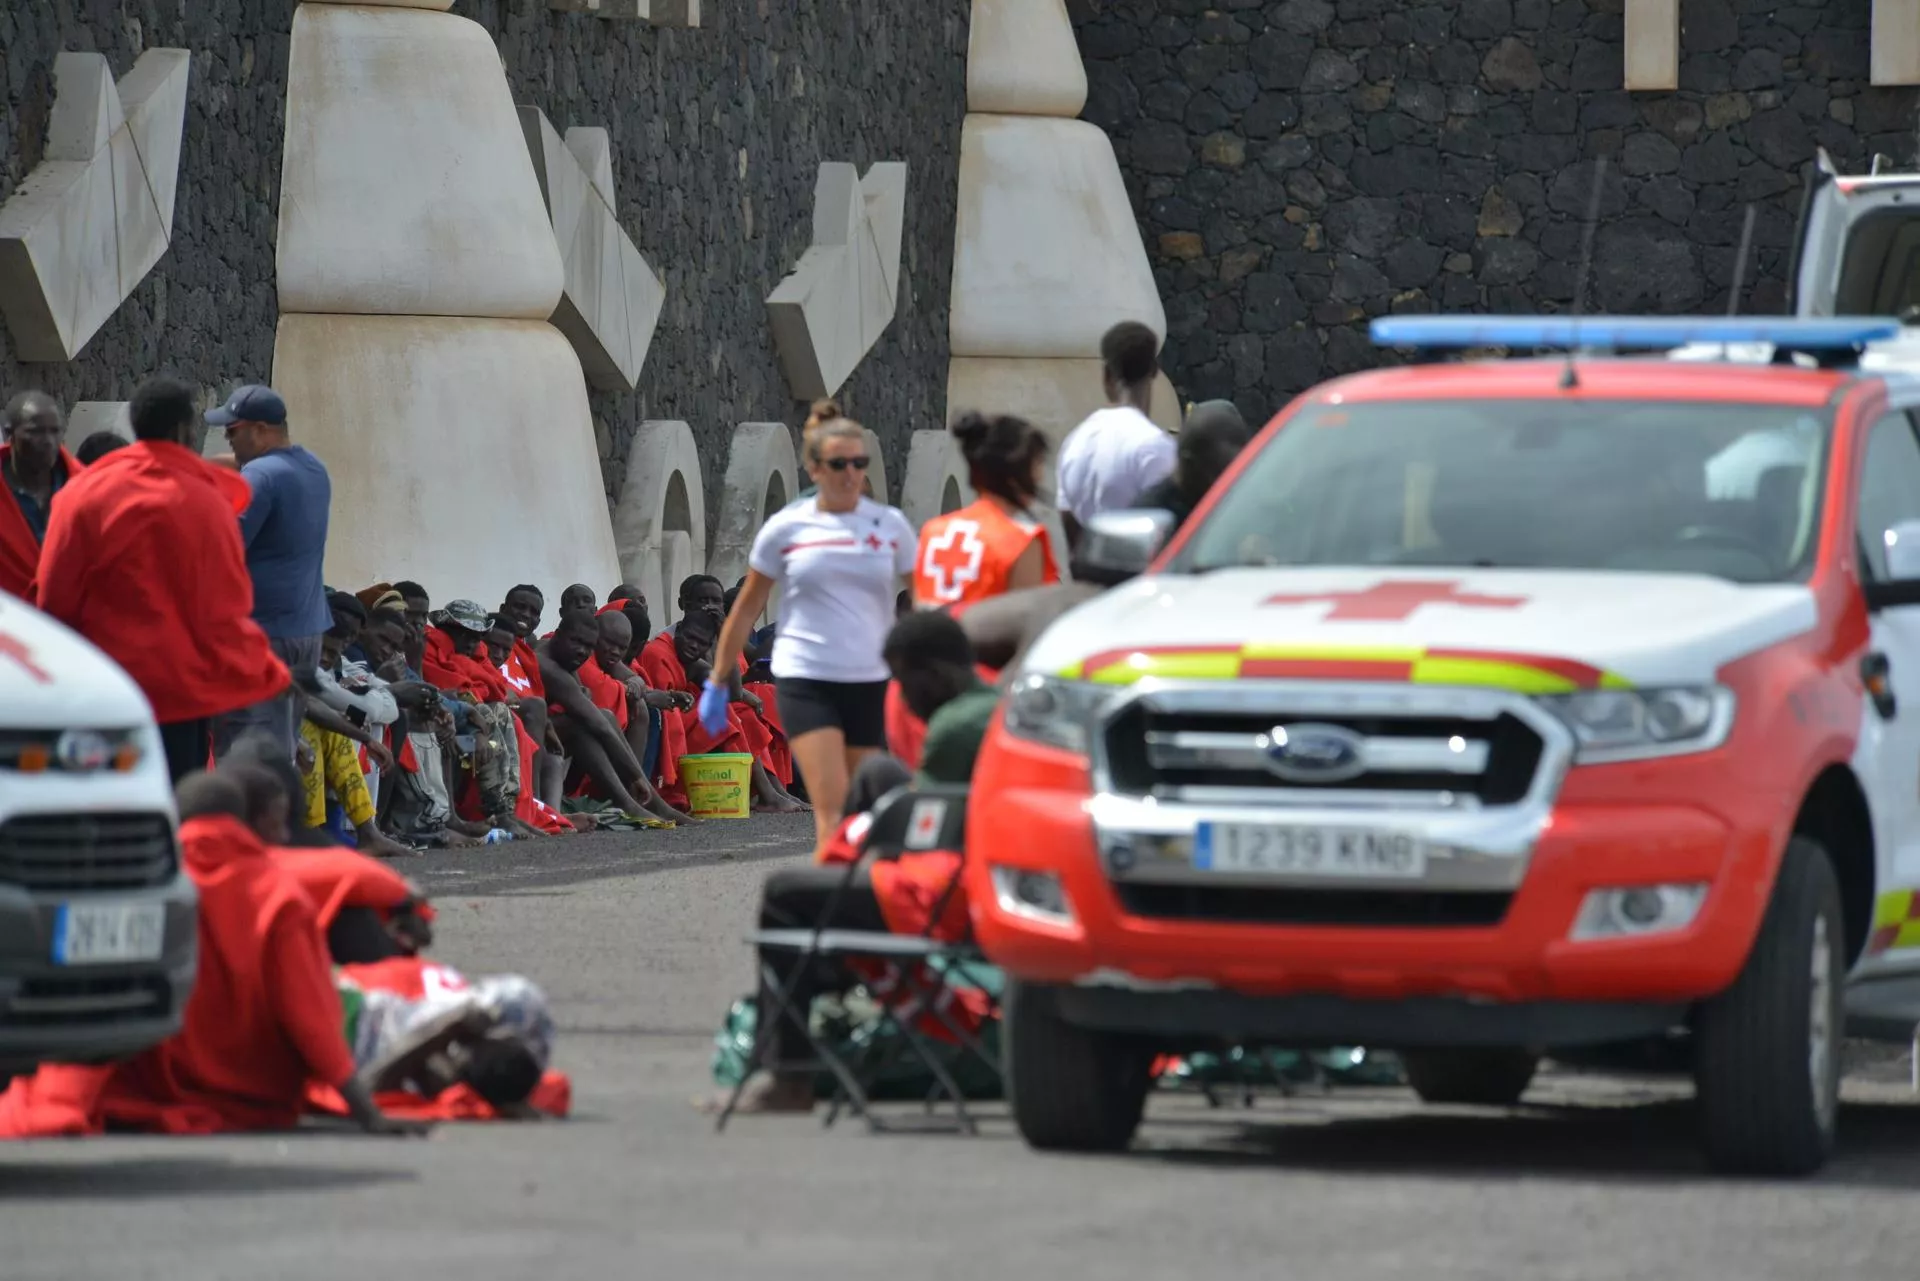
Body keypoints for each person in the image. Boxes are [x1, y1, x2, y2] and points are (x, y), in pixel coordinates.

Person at [0, 770, 426, 1138]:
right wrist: (367, 1113)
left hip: (151, 1085)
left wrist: (62, 1095)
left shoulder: (143, 889)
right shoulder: (276, 894)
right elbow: (309, 1017)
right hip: (251, 1090)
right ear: (246, 822)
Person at [714, 612, 997, 1115]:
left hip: (950, 895)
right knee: (876, 774)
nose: (905, 700)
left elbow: (922, 832)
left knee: (786, 893)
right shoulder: (990, 704)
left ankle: (791, 1075)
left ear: (935, 674)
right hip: (978, 873)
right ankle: (830, 962)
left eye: (907, 684)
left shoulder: (954, 728)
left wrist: (868, 851)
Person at [33, 377, 288, 781]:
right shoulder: (211, 505)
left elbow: (52, 602)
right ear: (185, 432)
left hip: (102, 690)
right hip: (180, 699)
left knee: (102, 812)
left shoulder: (80, 495)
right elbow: (228, 609)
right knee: (171, 818)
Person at [708, 412, 916, 855]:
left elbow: (928, 602)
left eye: (859, 463)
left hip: (868, 676)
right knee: (831, 800)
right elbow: (744, 610)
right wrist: (718, 677)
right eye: (839, 464)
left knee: (864, 800)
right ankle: (835, 896)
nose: (851, 474)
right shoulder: (786, 529)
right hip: (806, 677)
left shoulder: (891, 527)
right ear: (815, 468)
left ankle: (867, 883)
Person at [206, 385, 334, 763]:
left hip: (262, 635)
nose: (229, 442)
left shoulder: (260, 477)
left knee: (244, 753)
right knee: (278, 747)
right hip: (304, 633)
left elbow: (223, 551)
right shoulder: (312, 467)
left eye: (233, 432)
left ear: (260, 430)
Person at [640, 608, 805, 813]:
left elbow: (733, 691)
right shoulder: (659, 652)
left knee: (743, 712)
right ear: (679, 630)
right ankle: (766, 793)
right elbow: (662, 710)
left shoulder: (690, 658)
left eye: (701, 643)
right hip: (667, 727)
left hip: (683, 721)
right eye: (690, 638)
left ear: (709, 645)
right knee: (729, 711)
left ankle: (773, 791)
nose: (693, 645)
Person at [540, 612, 684, 823]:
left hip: (550, 740)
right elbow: (598, 723)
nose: (582, 651)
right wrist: (635, 776)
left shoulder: (572, 657)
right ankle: (634, 800)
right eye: (576, 642)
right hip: (531, 739)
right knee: (597, 721)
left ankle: (636, 800)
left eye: (588, 647)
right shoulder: (550, 664)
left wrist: (635, 684)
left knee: (607, 716)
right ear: (558, 634)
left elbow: (625, 675)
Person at [914, 411, 1059, 607]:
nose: (1040, 477)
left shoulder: (933, 531)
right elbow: (1028, 623)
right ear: (1015, 474)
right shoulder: (1022, 541)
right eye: (1037, 465)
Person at [1054, 320, 1177, 551]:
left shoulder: (1075, 442)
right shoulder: (1156, 448)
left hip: (1089, 581)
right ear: (1154, 371)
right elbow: (1168, 533)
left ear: (1107, 375)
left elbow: (1069, 523)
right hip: (1139, 584)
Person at [0, 391, 76, 600]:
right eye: (36, 432)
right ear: (10, 434)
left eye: (54, 431)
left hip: (72, 626)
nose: (48, 441)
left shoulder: (85, 487)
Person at [1133, 399, 1251, 532]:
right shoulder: (1151, 519)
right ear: (1188, 464)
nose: (1225, 483)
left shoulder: (1244, 510)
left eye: (1236, 471)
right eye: (1216, 472)